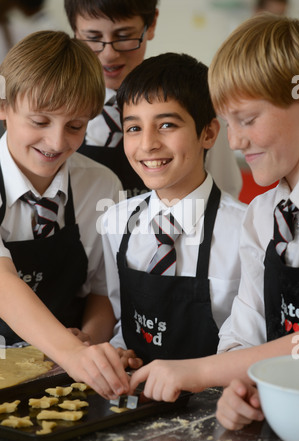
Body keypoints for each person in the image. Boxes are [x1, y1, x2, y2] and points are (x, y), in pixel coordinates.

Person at [126, 13, 299, 427]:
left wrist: (200, 372)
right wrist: (238, 389)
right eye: (230, 121)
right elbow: (247, 330)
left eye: (249, 119)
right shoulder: (263, 216)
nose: (235, 141)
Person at [0, 29, 138, 397]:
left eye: (75, 126)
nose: (57, 142)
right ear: (3, 107)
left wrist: (90, 342)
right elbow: (2, 281)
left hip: (62, 374)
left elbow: (103, 292)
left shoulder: (101, 185)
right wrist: (72, 352)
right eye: (40, 122)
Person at [99, 52, 246, 369]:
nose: (148, 144)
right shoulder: (115, 222)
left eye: (166, 124)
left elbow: (253, 342)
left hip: (218, 399)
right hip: (134, 395)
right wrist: (118, 350)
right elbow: (119, 319)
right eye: (134, 128)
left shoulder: (245, 230)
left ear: (208, 133)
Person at [64, 0, 242, 199]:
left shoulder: (193, 98)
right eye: (93, 37)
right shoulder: (60, 110)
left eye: (124, 36)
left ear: (152, 24)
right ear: (75, 32)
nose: (109, 53)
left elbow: (224, 193)